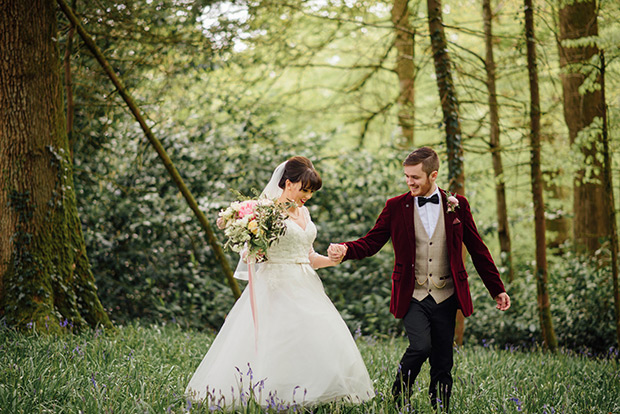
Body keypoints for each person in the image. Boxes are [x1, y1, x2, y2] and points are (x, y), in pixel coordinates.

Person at [328, 147, 510, 412]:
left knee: (443, 360)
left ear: (433, 175)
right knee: (421, 346)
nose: (409, 182)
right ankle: (398, 396)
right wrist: (346, 249)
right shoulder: (395, 206)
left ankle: (440, 407)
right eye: (406, 176)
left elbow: (477, 248)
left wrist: (497, 289)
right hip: (412, 293)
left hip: (446, 294)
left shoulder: (457, 205)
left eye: (415, 177)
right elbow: (372, 241)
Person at [185, 156, 375, 408]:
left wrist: (332, 260)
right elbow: (250, 252)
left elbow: (307, 256)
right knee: (279, 341)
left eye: (311, 191)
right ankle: (272, 396)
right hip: (275, 285)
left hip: (306, 284)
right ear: (287, 183)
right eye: (304, 189)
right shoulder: (265, 212)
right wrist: (253, 251)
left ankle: (309, 393)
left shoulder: (304, 212)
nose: (308, 195)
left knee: (316, 336)